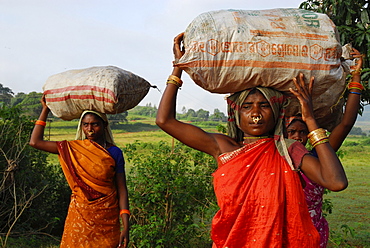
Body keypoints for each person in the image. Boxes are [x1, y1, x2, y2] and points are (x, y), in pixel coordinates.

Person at [156, 32, 348, 247]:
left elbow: (336, 182)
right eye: (247, 107)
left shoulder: (289, 150)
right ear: (236, 115)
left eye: (264, 106)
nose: (255, 113)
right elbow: (165, 121)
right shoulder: (223, 147)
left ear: (276, 113)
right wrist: (178, 66)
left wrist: (310, 120)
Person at [286, 48, 364, 248]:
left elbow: (346, 124)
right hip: (282, 237)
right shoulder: (273, 158)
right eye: (292, 132)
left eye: (302, 132)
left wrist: (355, 77)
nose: (297, 137)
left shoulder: (318, 156)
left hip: (313, 236)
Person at [29, 97, 130, 248]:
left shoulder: (114, 153)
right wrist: (45, 110)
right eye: (86, 125)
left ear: (104, 125)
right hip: (80, 215)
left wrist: (126, 227)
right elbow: (35, 142)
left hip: (107, 219)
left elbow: (122, 190)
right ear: (81, 127)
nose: (90, 129)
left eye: (95, 124)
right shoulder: (73, 149)